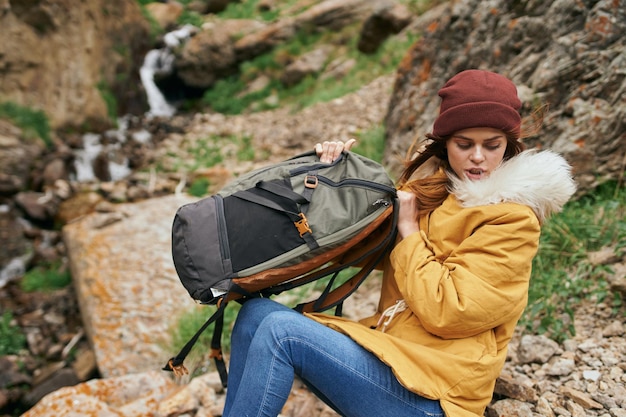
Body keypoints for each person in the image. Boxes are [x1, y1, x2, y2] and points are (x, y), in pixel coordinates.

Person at [221, 69, 576, 417]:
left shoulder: (513, 220)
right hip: (395, 359)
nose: (478, 157)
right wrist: (331, 176)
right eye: (464, 144)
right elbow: (355, 246)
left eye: (492, 145)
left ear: (510, 147)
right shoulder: (434, 195)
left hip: (436, 395)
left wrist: (410, 233)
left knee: (281, 332)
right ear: (445, 145)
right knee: (256, 315)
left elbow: (449, 312)